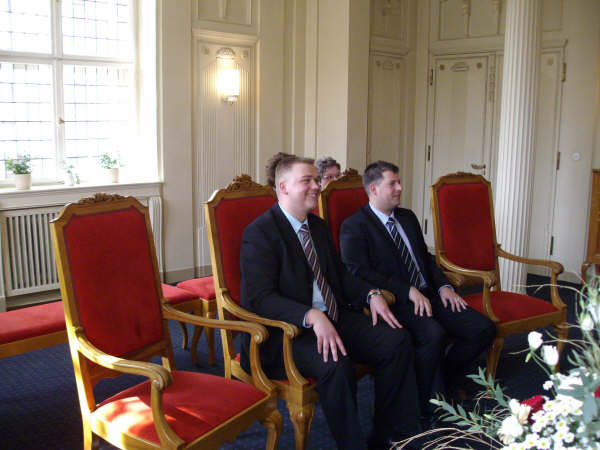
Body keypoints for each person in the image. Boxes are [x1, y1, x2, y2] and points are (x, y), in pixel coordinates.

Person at [240, 155, 422, 450]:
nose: (317, 186)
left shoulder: (318, 227)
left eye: (317, 179)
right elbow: (260, 299)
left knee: (396, 340)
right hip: (285, 333)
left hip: (332, 315)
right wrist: (310, 315)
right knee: (336, 364)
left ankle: (387, 435)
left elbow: (340, 276)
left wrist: (371, 294)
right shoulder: (260, 233)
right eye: (307, 181)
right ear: (283, 187)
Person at [339, 160, 495, 427]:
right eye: (393, 184)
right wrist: (406, 290)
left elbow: (425, 259)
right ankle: (430, 403)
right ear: (374, 189)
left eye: (399, 182)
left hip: (430, 293)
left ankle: (443, 381)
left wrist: (444, 286)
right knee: (433, 334)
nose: (400, 188)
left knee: (482, 328)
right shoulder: (355, 226)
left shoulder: (407, 217)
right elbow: (358, 272)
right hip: (397, 301)